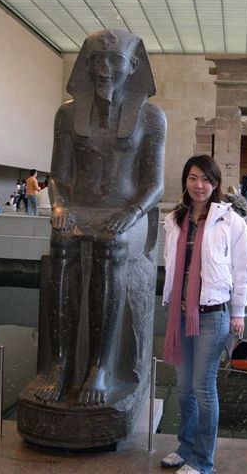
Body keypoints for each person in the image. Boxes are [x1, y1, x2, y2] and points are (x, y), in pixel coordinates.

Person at [33, 28, 166, 409]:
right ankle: (59, 365)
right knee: (62, 242)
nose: (104, 68)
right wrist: (60, 207)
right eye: (96, 60)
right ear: (85, 65)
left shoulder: (151, 116)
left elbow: (154, 184)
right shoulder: (68, 114)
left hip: (131, 211)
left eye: (115, 60)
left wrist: (130, 212)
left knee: (111, 244)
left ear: (133, 66)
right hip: (82, 207)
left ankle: (100, 367)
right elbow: (58, 176)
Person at [161, 154, 247, 474]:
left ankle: (202, 460)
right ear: (185, 181)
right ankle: (185, 448)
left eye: (206, 180)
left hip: (213, 315)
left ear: (215, 184)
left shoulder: (230, 221)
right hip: (181, 314)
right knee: (184, 388)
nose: (199, 185)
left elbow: (243, 270)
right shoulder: (175, 219)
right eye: (193, 178)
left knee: (202, 387)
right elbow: (172, 264)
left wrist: (239, 311)